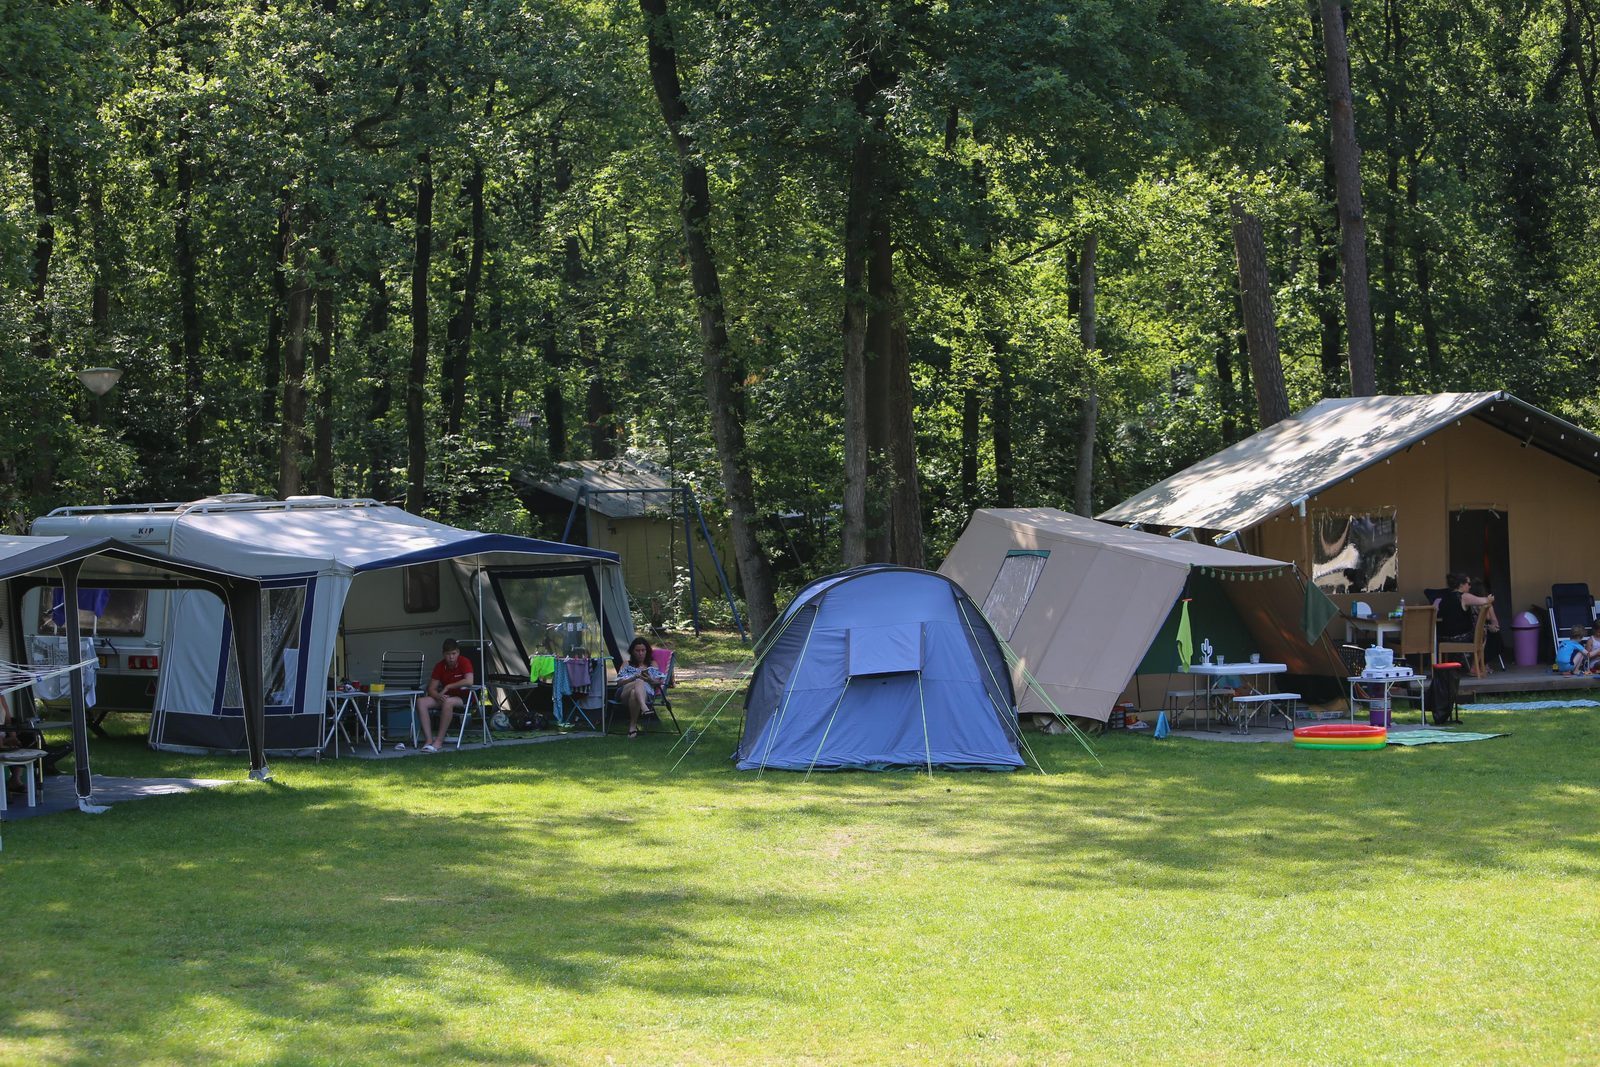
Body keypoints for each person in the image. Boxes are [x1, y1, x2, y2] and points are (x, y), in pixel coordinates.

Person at [415, 639, 474, 753]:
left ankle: (439, 741)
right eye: (448, 654)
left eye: (454, 654)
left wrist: (448, 687)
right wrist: (437, 696)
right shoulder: (440, 666)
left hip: (463, 697)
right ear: (443, 654)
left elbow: (469, 681)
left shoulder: (464, 662)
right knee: (420, 702)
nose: (451, 657)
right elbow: (431, 688)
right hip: (445, 696)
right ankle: (428, 740)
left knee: (448, 702)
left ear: (458, 652)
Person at [616, 637, 666, 739]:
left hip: (645, 694)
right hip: (624, 692)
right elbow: (619, 683)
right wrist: (633, 677)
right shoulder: (626, 664)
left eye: (643, 650)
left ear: (647, 651)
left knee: (635, 693)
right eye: (637, 651)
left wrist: (649, 680)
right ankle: (644, 707)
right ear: (632, 651)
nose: (640, 653)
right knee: (638, 681)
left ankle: (632, 727)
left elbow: (658, 682)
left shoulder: (652, 664)